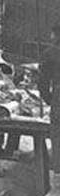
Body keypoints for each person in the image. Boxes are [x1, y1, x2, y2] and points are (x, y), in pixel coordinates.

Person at [39, 24, 60, 172]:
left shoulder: (50, 52)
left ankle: (58, 167)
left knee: (58, 132)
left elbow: (43, 83)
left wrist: (49, 99)